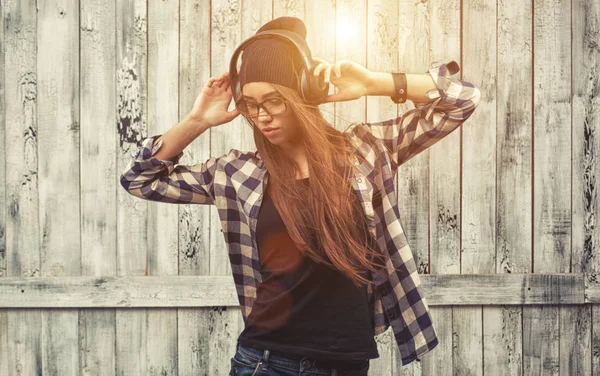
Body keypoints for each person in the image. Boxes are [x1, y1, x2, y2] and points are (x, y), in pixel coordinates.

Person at [120, 16, 481, 376]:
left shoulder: (365, 152)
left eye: (274, 101)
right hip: (265, 362)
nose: (261, 116)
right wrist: (197, 120)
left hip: (346, 365)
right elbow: (141, 180)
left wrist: (373, 82)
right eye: (250, 104)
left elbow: (462, 100)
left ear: (302, 95)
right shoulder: (237, 174)